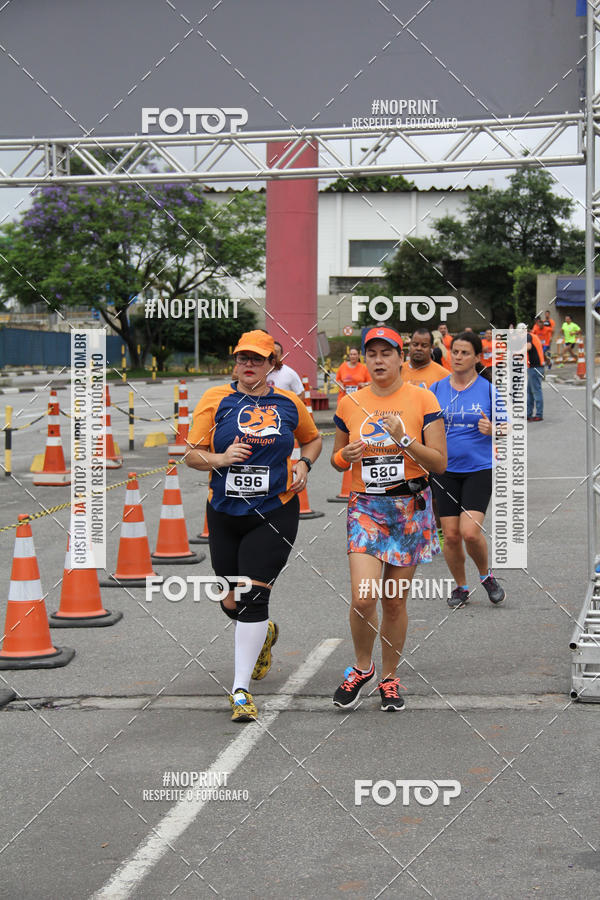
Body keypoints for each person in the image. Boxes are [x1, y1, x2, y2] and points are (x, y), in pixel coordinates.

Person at [185, 330, 322, 722]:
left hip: (274, 510)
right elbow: (192, 455)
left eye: (257, 359)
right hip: (225, 512)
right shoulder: (215, 399)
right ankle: (265, 632)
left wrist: (304, 463)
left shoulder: (289, 403)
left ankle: (240, 689)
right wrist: (222, 458)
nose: (249, 365)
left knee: (253, 596)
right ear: (235, 362)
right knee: (231, 601)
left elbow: (313, 440)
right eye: (243, 358)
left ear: (271, 365)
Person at [330, 325, 447, 711]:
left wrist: (405, 440)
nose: (379, 361)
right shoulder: (350, 402)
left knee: (394, 602)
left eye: (387, 353)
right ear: (365, 359)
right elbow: (336, 459)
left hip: (409, 509)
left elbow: (439, 463)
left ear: (401, 357)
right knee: (364, 598)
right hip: (366, 508)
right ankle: (362, 667)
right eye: (372, 354)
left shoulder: (423, 398)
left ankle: (390, 677)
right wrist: (344, 456)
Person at [430, 331, 507, 609]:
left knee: (470, 532)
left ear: (477, 357)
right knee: (451, 535)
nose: (458, 357)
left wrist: (494, 429)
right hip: (444, 470)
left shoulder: (487, 389)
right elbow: (423, 423)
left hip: (478, 469)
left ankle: (486, 576)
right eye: (455, 352)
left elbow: (508, 427)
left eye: (465, 353)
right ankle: (461, 587)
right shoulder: (436, 389)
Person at [522, 322, 545, 422]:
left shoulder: (528, 336)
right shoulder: (532, 336)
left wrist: (517, 352)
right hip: (535, 367)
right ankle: (528, 414)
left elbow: (528, 346)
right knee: (530, 392)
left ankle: (539, 414)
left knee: (536, 391)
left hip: (535, 367)